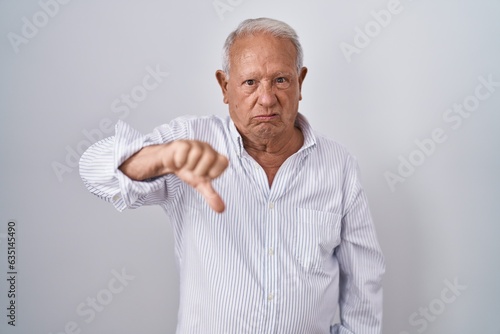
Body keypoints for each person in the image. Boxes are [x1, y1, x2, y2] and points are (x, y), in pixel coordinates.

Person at [80, 17, 385, 334]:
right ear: (225, 86)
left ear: (300, 81)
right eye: (250, 82)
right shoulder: (190, 141)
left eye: (280, 80)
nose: (266, 98)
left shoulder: (338, 166)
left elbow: (364, 280)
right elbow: (93, 171)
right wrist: (159, 158)